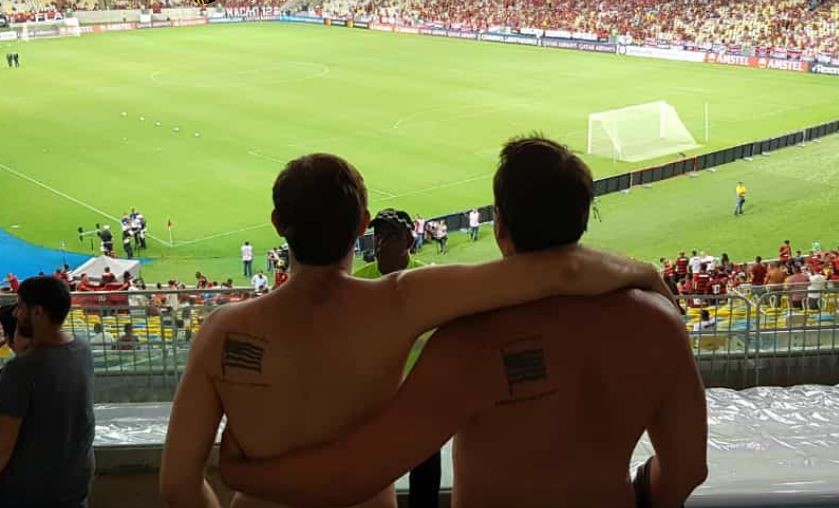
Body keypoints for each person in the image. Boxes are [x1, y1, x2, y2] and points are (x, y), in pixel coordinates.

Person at [160, 152, 677, 508]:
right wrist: (645, 273)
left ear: (277, 224)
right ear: (362, 224)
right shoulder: (400, 302)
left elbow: (179, 486)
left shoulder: (222, 332)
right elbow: (556, 270)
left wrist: (242, 478)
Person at [352, 208, 439, 507]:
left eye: (391, 236)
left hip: (421, 392)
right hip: (373, 395)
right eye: (378, 235)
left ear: (408, 241)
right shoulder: (358, 283)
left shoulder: (428, 280)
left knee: (425, 470)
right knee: (370, 471)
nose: (381, 243)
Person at [0, 276, 95, 508]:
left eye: (21, 306)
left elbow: (3, 448)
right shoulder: (82, 349)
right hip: (75, 487)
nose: (16, 314)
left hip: (29, 495)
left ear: (38, 312)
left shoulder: (20, 370)